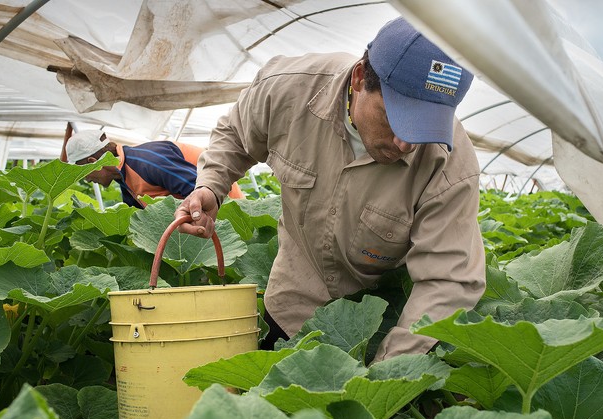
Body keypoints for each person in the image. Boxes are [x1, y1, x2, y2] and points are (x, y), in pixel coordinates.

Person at [175, 17, 486, 360]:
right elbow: (236, 135)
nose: (405, 142)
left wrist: (390, 374)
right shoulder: (288, 89)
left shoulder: (450, 166)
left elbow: (447, 281)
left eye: (423, 127)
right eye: (394, 118)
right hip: (292, 307)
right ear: (358, 79)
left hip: (383, 326)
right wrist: (211, 186)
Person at [64, 130, 244, 208]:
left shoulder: (147, 161)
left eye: (83, 172)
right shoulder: (124, 175)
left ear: (92, 160)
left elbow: (200, 191)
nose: (86, 179)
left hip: (227, 206)